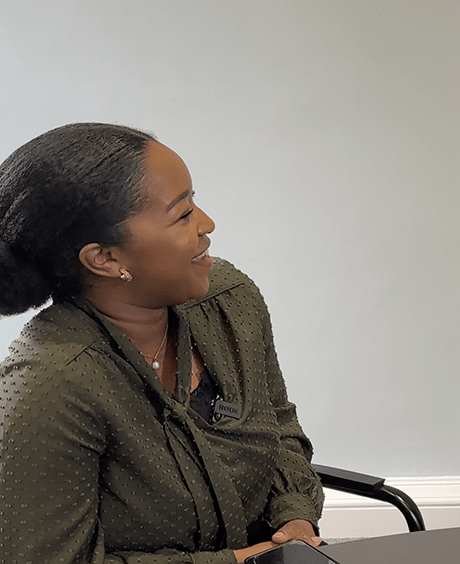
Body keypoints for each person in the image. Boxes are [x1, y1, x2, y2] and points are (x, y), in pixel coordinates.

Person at [0, 123, 325, 563]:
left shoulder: (228, 299)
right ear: (105, 258)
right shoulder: (47, 386)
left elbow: (280, 427)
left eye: (194, 202)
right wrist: (236, 561)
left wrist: (295, 520)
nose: (208, 224)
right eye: (183, 214)